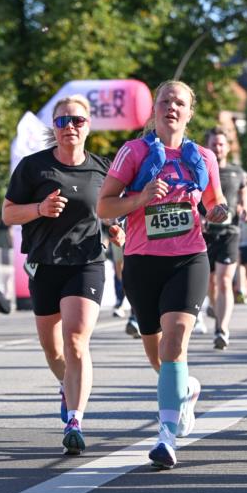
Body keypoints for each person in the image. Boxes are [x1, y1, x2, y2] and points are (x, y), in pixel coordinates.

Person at [97, 80, 228, 469]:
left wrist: (220, 212)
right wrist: (141, 198)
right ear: (154, 110)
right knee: (160, 354)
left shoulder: (203, 157)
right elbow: (104, 207)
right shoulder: (133, 152)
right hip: (141, 260)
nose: (172, 107)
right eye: (165, 101)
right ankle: (185, 389)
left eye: (180, 103)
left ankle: (165, 437)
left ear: (190, 113)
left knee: (175, 341)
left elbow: (215, 202)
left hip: (189, 258)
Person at [3, 94, 123, 455]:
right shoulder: (33, 167)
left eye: (77, 121)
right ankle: (66, 386)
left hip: (86, 262)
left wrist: (116, 227)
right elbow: (9, 215)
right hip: (45, 263)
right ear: (53, 128)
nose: (70, 126)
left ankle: (75, 419)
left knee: (75, 341)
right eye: (62, 121)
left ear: (88, 127)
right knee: (53, 348)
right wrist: (39, 208)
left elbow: (115, 209)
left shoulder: (103, 169)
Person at [203, 126, 247, 349]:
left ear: (228, 147)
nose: (218, 148)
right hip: (205, 233)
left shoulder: (237, 171)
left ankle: (221, 329)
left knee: (223, 280)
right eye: (214, 145)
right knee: (210, 281)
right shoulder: (200, 169)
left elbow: (244, 189)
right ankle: (213, 306)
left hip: (230, 232)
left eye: (221, 144)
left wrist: (245, 206)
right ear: (208, 147)